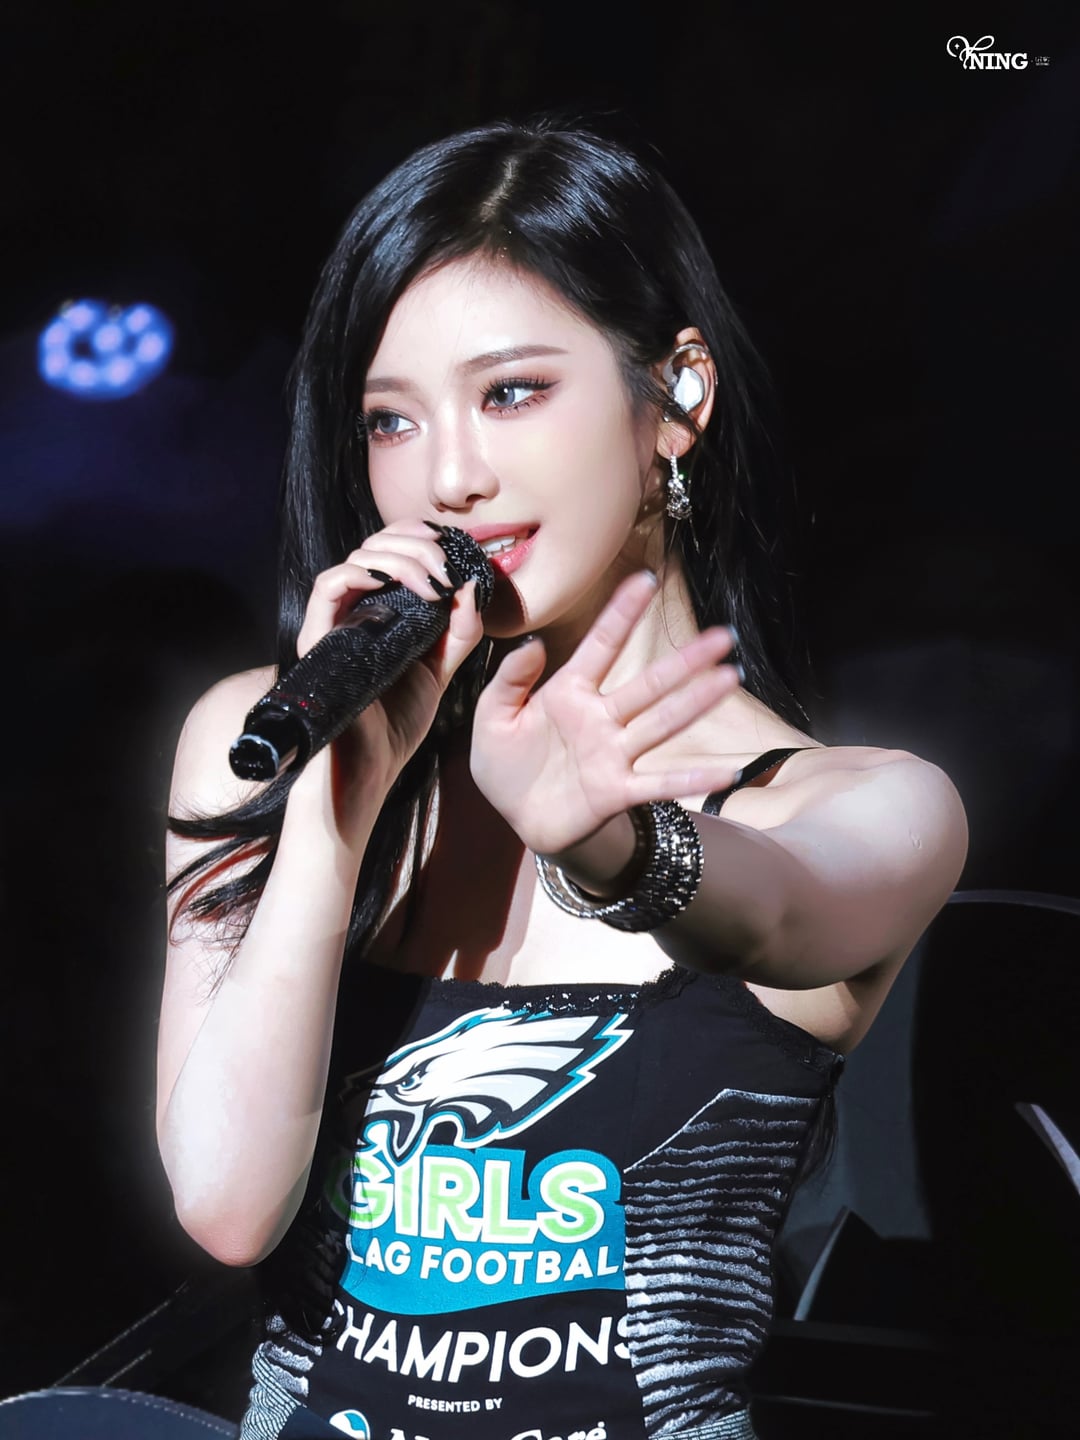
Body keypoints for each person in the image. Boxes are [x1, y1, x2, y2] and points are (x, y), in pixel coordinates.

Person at [157, 116, 968, 1440]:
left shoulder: (863, 804)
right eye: (391, 419)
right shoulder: (260, 740)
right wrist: (334, 820)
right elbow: (230, 1209)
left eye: (512, 393)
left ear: (679, 396)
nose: (449, 477)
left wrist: (615, 850)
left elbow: (777, 910)